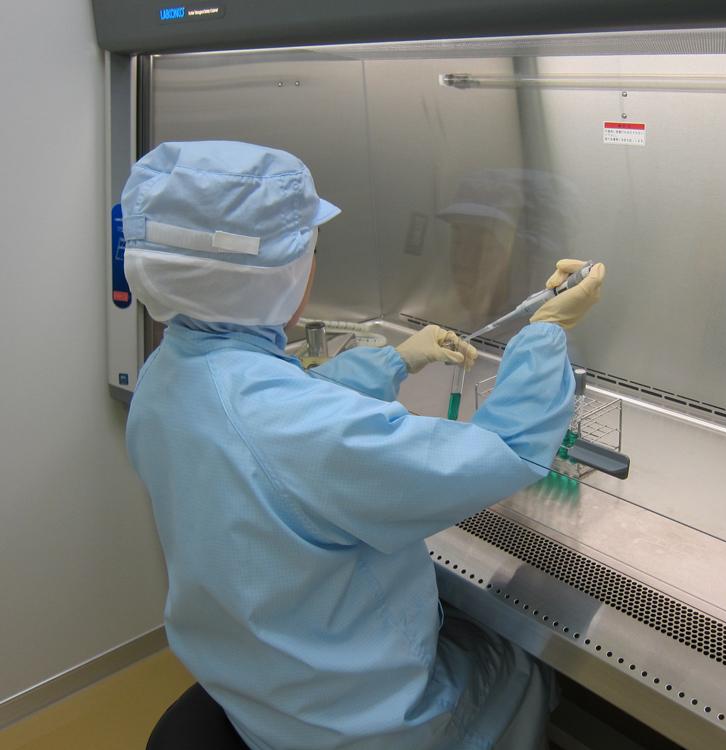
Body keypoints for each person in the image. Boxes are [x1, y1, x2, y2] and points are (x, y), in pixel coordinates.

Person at [122, 141, 605, 750]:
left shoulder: (165, 376)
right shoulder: (300, 427)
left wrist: (395, 360)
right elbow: (502, 451)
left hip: (254, 691)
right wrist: (545, 335)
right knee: (524, 665)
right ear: (277, 275)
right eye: (309, 251)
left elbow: (276, 411)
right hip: (358, 725)